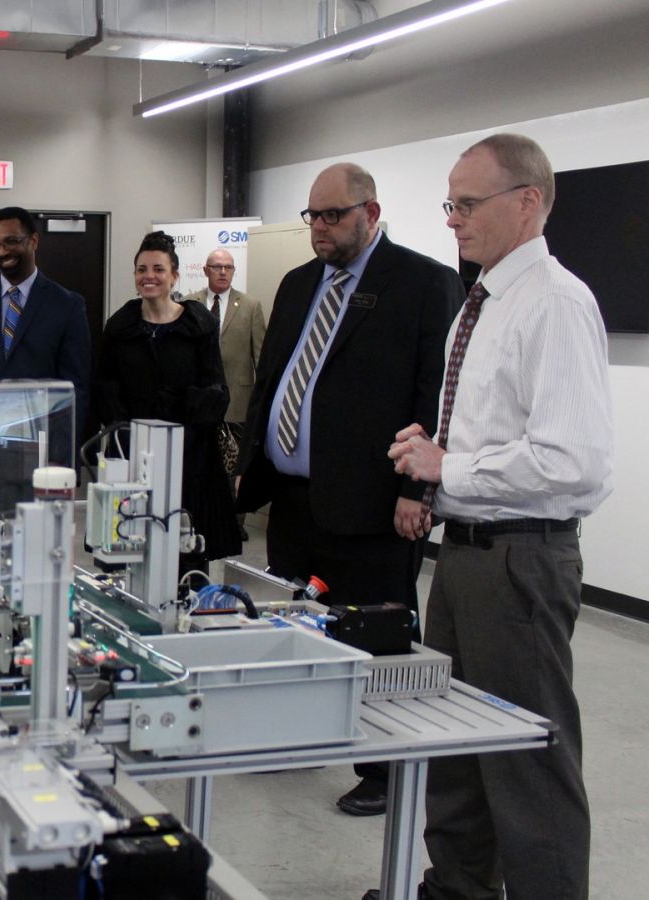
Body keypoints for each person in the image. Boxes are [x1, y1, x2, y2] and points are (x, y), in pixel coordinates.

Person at [382, 134, 611, 900]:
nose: (453, 218)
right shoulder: (478, 306)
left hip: (521, 564)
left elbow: (573, 463)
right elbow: (496, 437)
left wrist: (455, 468)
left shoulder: (553, 304)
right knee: (454, 749)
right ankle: (456, 891)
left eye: (468, 203)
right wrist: (435, 456)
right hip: (467, 558)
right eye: (450, 203)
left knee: (528, 769)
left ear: (528, 203)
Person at [236, 162, 461, 817]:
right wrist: (254, 461)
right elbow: (275, 377)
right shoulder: (299, 283)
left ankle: (384, 769)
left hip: (373, 504)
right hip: (296, 500)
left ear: (371, 211)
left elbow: (435, 396)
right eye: (313, 216)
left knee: (377, 638)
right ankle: (296, 734)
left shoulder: (422, 283)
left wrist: (416, 490)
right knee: (294, 629)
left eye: (333, 215)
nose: (320, 229)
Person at [94, 230, 241, 572]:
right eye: (141, 269)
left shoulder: (198, 323)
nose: (149, 277)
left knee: (185, 554)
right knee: (130, 549)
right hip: (133, 457)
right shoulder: (120, 326)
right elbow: (104, 387)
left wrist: (181, 409)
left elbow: (216, 390)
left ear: (174, 275)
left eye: (158, 269)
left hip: (189, 459)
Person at [0, 206, 91, 443]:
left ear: (34, 241)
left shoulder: (67, 305)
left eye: (11, 241)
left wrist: (61, 452)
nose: (2, 251)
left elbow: (75, 388)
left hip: (40, 442)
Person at [182, 249, 264, 483]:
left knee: (233, 475)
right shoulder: (188, 304)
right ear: (206, 270)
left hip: (237, 407)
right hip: (198, 405)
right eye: (217, 267)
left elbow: (261, 359)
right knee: (197, 474)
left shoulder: (250, 306)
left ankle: (235, 520)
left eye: (228, 267)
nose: (223, 272)